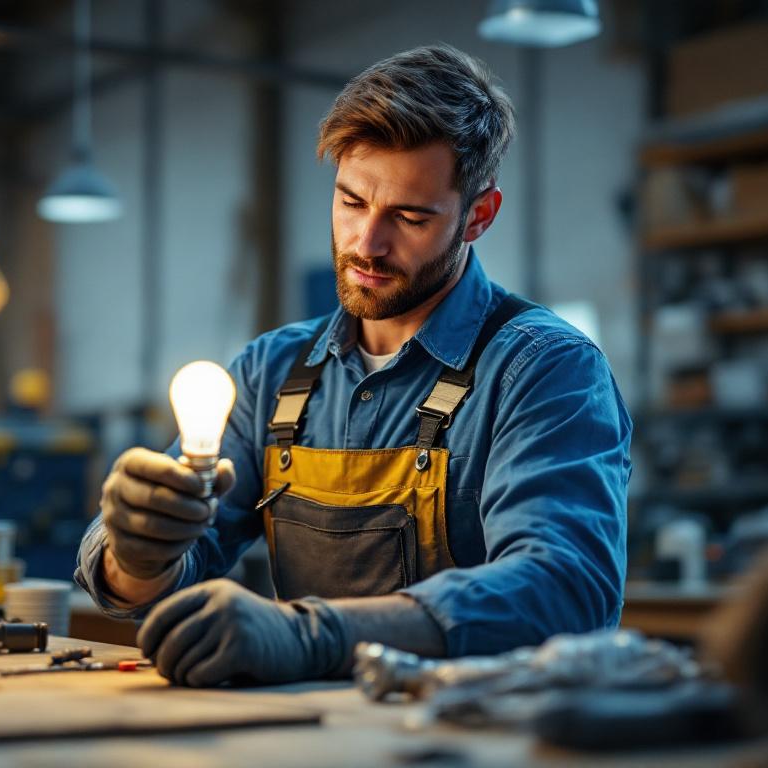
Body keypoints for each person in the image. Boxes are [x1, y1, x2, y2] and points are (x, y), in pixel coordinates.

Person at [75, 44, 632, 687]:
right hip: (314, 730)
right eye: (351, 202)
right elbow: (150, 582)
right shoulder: (271, 371)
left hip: (473, 729)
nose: (367, 243)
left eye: (410, 217)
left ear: (477, 215)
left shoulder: (545, 370)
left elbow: (564, 588)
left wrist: (315, 636)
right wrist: (137, 555)